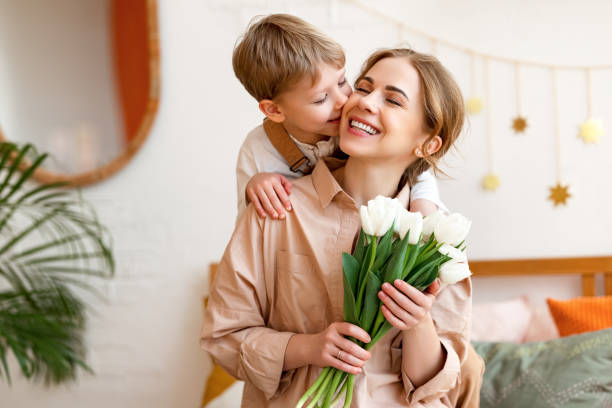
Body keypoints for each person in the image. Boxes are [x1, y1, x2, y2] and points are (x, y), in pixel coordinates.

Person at [201, 47, 484, 407]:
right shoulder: (274, 209)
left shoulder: (438, 240)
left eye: (393, 101)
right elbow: (223, 337)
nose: (365, 102)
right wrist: (307, 348)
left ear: (428, 143)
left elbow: (440, 386)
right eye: (363, 88)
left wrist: (417, 323)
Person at [232, 14, 446, 221]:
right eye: (321, 98)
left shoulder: (352, 127)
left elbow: (413, 166)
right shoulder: (257, 149)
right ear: (274, 111)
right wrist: (254, 186)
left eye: (342, 81)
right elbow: (249, 229)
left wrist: (424, 200)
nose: (342, 101)